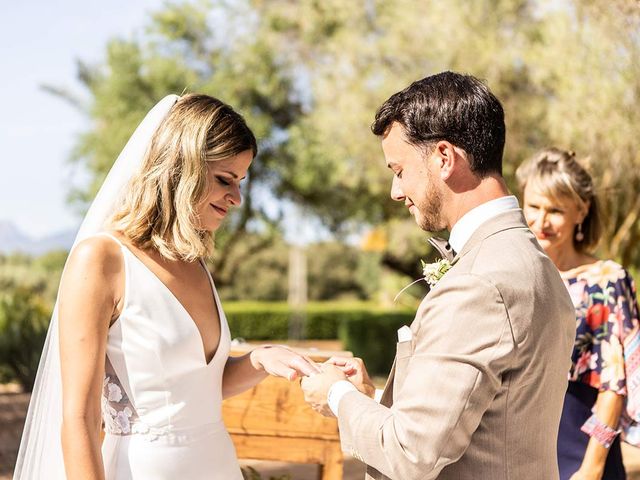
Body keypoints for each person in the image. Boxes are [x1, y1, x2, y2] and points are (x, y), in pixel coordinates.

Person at [14, 93, 319, 480]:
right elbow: (79, 418)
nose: (237, 198)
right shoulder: (102, 260)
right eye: (225, 180)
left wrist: (261, 359)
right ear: (179, 169)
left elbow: (196, 390)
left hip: (217, 465)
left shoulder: (195, 262)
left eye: (240, 182)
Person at [300, 71, 576, 480]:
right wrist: (370, 399)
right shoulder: (531, 261)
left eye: (399, 169)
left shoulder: (480, 281)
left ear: (444, 158)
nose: (395, 191)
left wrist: (336, 396)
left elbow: (413, 454)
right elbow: (485, 420)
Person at [516, 147, 640, 480]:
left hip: (580, 454)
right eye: (534, 207)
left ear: (581, 210)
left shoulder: (606, 281)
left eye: (555, 210)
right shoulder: (513, 275)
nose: (541, 222)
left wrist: (592, 468)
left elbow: (615, 386)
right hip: (516, 453)